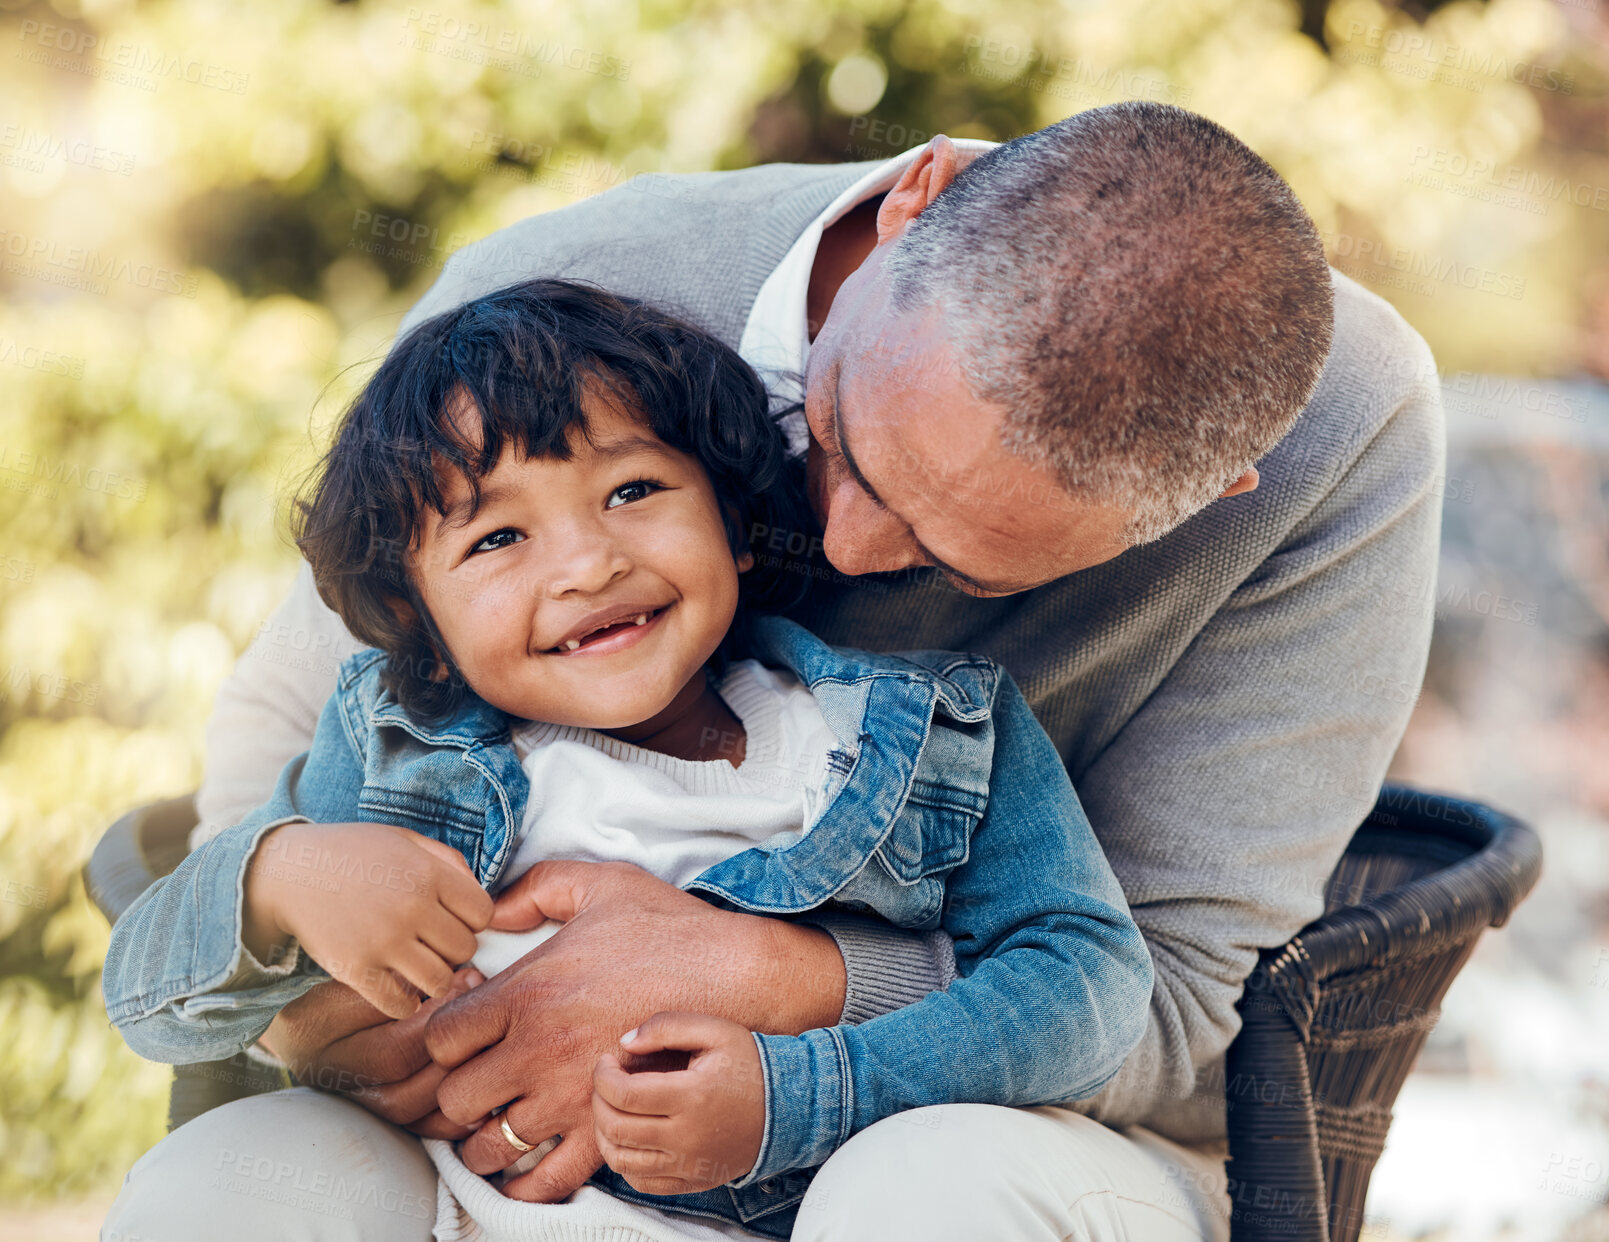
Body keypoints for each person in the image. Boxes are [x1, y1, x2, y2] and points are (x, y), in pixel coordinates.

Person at [104, 102, 1443, 1242]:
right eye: (843, 432)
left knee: (929, 1195)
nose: (842, 550)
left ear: (1211, 494)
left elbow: (1140, 996)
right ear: (917, 200)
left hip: (995, 1130)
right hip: (475, 1158)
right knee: (244, 1180)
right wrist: (334, 1007)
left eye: (968, 563)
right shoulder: (547, 328)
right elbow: (261, 794)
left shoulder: (950, 726)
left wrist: (775, 990)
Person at [103, 279, 1154, 1240]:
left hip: (792, 1209)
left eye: (633, 491)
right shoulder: (394, 747)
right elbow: (150, 996)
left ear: (737, 522)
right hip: (460, 1205)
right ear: (412, 619)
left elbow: (1085, 984)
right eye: (495, 540)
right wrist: (280, 879)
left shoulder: (929, 737)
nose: (587, 564)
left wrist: (802, 1093)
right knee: (226, 1174)